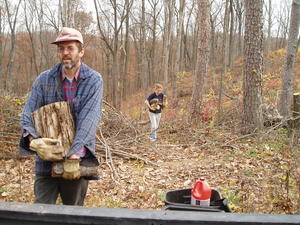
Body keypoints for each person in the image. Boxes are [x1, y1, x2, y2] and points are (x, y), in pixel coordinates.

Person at [19, 27, 103, 206]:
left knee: (72, 213)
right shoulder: (44, 79)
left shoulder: (93, 80)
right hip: (45, 162)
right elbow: (27, 114)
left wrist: (73, 155)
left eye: (70, 48)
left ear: (81, 51)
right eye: (61, 48)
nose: (65, 53)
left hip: (76, 162)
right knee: (41, 211)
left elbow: (89, 120)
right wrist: (34, 140)